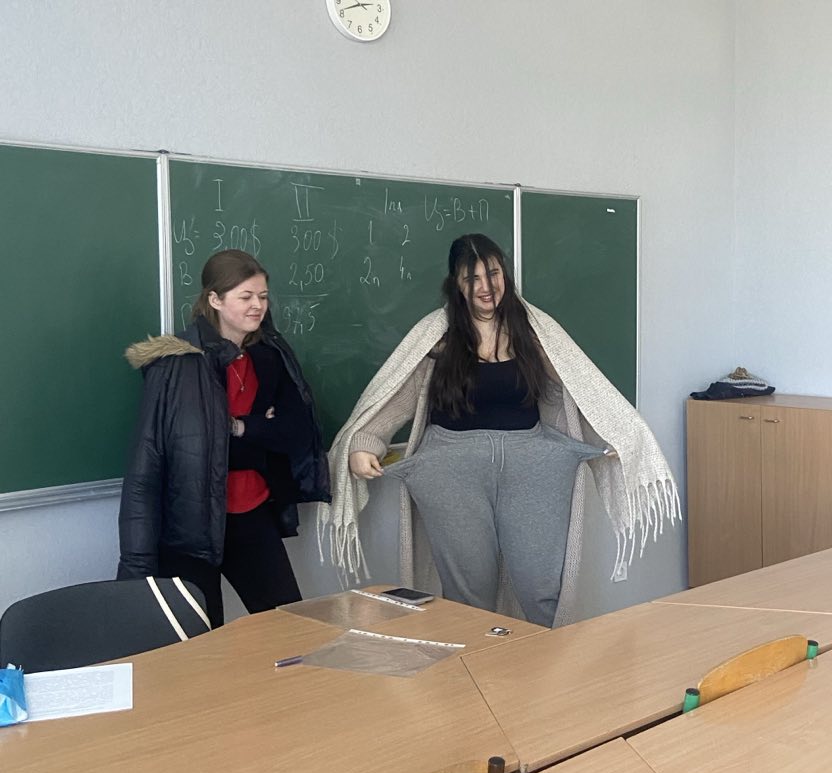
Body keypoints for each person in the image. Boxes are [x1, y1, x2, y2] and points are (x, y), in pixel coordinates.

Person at [323, 234, 679, 627]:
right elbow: (398, 396)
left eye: (492, 274)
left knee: (541, 585)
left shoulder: (534, 330)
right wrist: (365, 443)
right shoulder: (437, 335)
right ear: (456, 284)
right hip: (451, 470)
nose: (485, 287)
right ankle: (476, 663)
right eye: (472, 278)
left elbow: (577, 389)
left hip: (532, 464)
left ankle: (547, 662)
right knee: (469, 592)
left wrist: (610, 434)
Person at [118, 250, 330, 627]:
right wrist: (135, 561)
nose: (257, 306)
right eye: (245, 296)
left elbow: (296, 433)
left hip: (252, 513)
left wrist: (240, 427)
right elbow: (148, 461)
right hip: (190, 525)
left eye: (263, 296)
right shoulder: (176, 364)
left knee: (290, 626)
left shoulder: (270, 356)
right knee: (202, 640)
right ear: (215, 300)